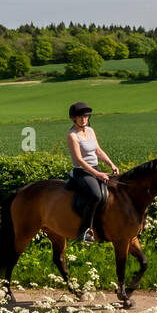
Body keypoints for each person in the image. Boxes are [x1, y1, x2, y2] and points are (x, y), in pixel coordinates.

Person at [66, 102, 119, 241]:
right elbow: (79, 160)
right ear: (74, 118)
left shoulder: (90, 131)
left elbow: (98, 151)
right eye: (80, 117)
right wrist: (98, 174)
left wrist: (111, 164)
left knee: (113, 191)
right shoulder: (72, 136)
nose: (84, 119)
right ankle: (85, 231)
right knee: (96, 195)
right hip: (82, 171)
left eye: (86, 116)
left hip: (95, 169)